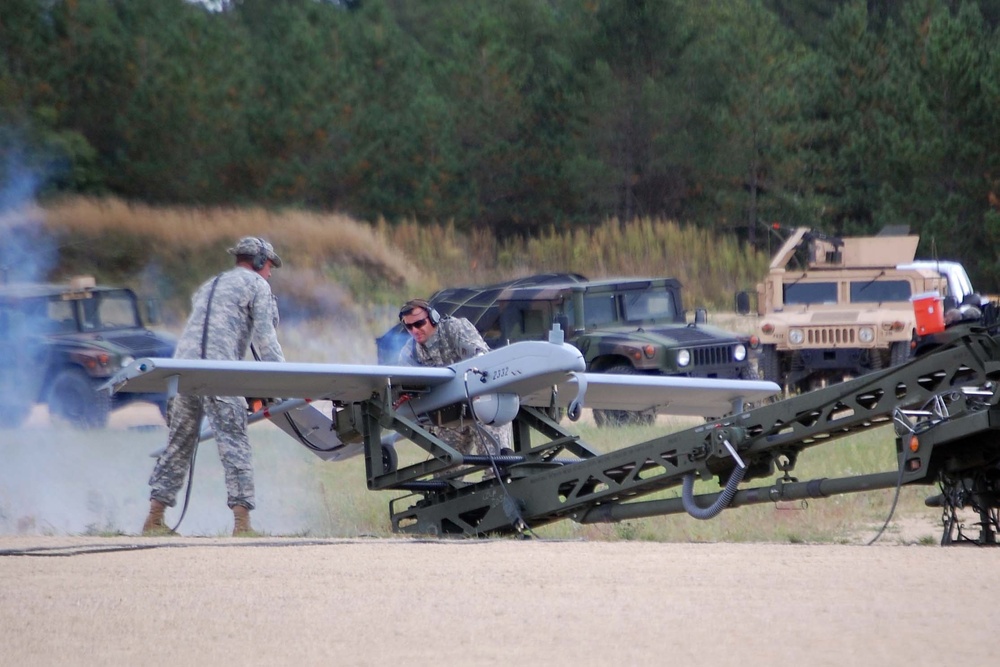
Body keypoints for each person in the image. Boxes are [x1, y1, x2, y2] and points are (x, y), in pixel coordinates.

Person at [142, 237, 285, 537]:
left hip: (182, 373)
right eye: (270, 265)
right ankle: (242, 525)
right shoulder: (258, 286)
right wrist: (282, 380)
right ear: (260, 262)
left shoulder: (210, 284)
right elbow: (265, 339)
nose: (271, 272)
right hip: (218, 373)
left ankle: (154, 519)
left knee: (177, 444)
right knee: (235, 445)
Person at [397, 298, 511, 459]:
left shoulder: (455, 329)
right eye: (409, 326)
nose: (415, 330)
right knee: (445, 473)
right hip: (448, 418)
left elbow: (482, 360)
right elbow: (406, 386)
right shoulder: (410, 353)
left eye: (419, 323)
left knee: (496, 465)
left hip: (482, 407)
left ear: (433, 318)